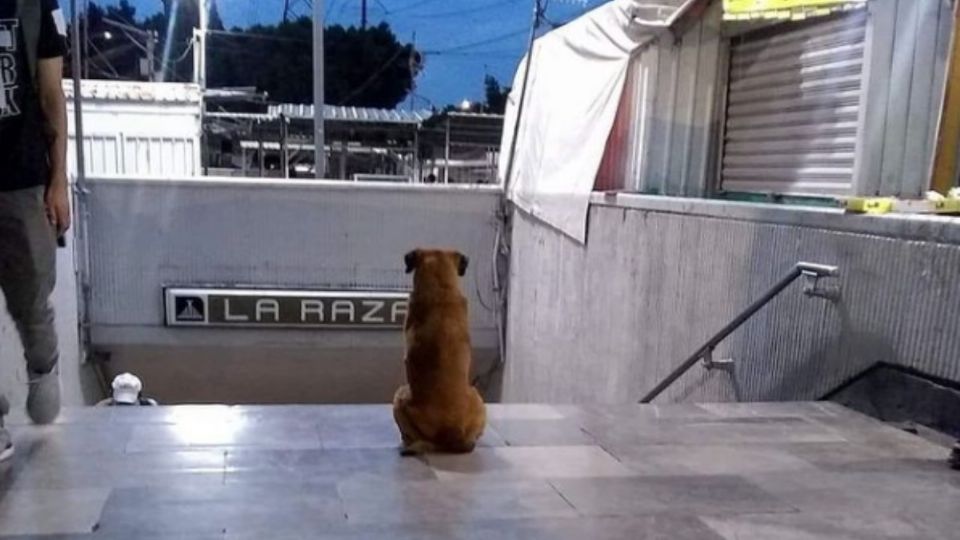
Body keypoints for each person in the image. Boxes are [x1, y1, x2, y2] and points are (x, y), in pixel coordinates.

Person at [0, 0, 70, 463]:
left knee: (32, 301)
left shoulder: (33, 5)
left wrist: (58, 179)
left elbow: (50, 94)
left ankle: (43, 372)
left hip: (22, 178)